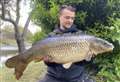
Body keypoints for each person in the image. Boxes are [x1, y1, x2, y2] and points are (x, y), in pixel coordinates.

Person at [39, 5, 95, 82]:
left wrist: (89, 57)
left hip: (75, 78)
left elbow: (84, 62)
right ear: (59, 17)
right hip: (53, 77)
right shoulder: (51, 36)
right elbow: (49, 64)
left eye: (72, 18)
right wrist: (47, 61)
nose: (70, 21)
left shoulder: (81, 35)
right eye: (67, 17)